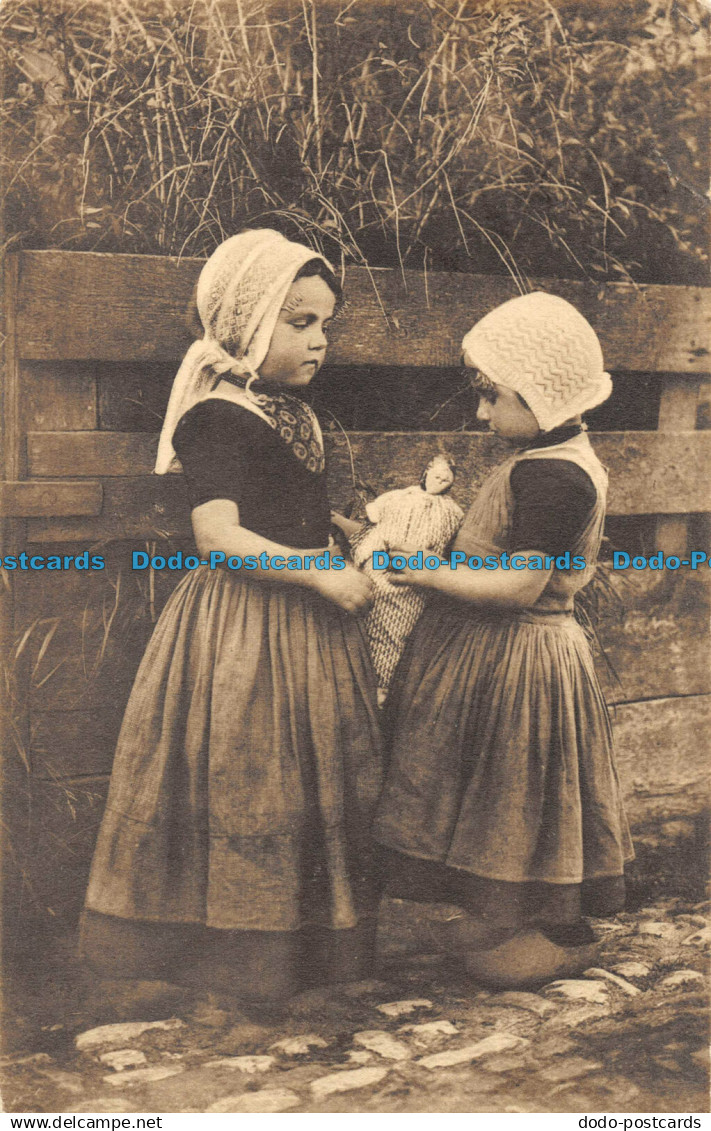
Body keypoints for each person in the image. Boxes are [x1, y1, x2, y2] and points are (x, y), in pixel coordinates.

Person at [79, 229, 383, 1006]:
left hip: (307, 627)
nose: (319, 341)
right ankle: (228, 955)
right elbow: (218, 534)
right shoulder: (217, 416)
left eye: (325, 325)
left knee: (304, 773)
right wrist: (318, 570)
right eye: (300, 322)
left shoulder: (293, 413)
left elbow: (287, 508)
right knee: (243, 771)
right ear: (247, 325)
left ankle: (296, 947)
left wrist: (342, 532)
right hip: (242, 628)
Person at [373, 291, 634, 989]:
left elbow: (519, 585)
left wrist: (425, 569)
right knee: (487, 792)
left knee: (511, 792)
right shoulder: (543, 457)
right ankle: (498, 923)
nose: (482, 412)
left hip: (520, 657)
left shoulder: (554, 474)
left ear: (543, 395)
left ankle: (544, 933)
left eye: (494, 396)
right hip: (489, 655)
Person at [334, 456, 463, 705]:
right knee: (368, 618)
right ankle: (363, 684)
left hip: (414, 576)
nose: (442, 480)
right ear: (425, 473)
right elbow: (372, 519)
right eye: (438, 475)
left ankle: (384, 686)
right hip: (377, 562)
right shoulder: (400, 496)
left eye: (447, 478)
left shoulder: (451, 511)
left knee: (397, 631)